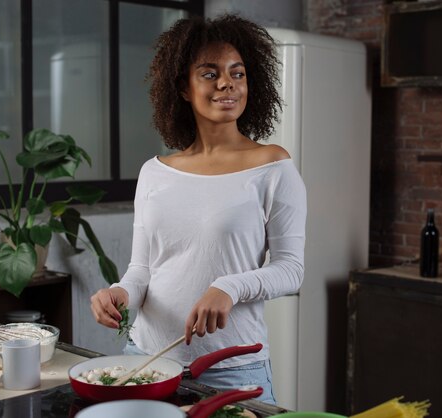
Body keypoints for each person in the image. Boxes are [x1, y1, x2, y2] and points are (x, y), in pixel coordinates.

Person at [89, 14, 306, 405]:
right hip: (149, 361)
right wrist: (120, 294)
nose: (227, 83)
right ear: (184, 88)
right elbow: (143, 270)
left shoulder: (273, 166)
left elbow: (291, 270)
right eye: (210, 73)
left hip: (233, 368)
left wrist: (229, 286)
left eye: (237, 74)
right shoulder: (155, 172)